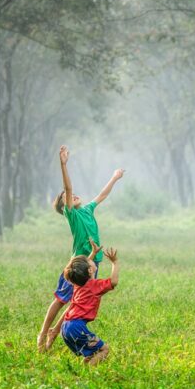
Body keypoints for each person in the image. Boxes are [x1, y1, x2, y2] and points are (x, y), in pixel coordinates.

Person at [37, 145, 124, 352]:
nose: (73, 195)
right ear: (64, 206)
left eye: (74, 194)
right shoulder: (72, 215)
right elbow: (67, 188)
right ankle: (43, 333)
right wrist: (63, 164)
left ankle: (56, 332)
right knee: (60, 299)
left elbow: (102, 195)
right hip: (78, 264)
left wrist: (114, 178)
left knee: (80, 299)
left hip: (94, 262)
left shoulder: (87, 209)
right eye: (67, 197)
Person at [58, 243, 119, 365]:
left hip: (66, 327)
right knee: (104, 350)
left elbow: (80, 270)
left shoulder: (78, 283)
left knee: (93, 353)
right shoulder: (94, 286)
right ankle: (87, 374)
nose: (91, 261)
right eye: (89, 261)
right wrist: (115, 262)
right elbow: (113, 282)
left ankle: (84, 369)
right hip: (76, 327)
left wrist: (93, 253)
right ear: (90, 270)